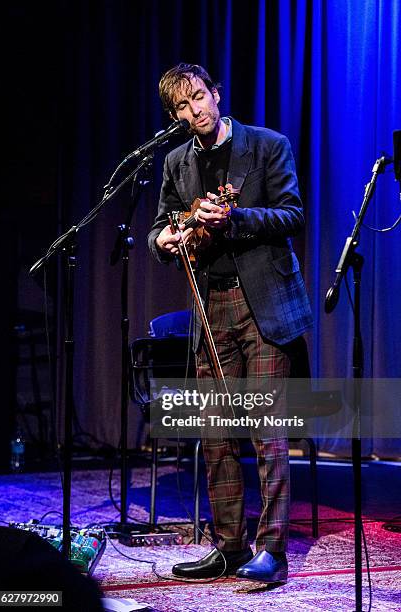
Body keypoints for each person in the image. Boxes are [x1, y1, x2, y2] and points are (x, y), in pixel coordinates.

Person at [148, 63, 313, 583]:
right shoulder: (176, 162)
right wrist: (164, 241)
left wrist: (236, 219)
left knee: (267, 433)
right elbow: (160, 227)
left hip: (261, 305)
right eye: (181, 106)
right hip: (210, 307)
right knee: (216, 435)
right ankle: (228, 545)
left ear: (215, 94)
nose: (193, 110)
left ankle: (273, 550)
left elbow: (292, 213)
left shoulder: (266, 146)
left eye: (198, 97)